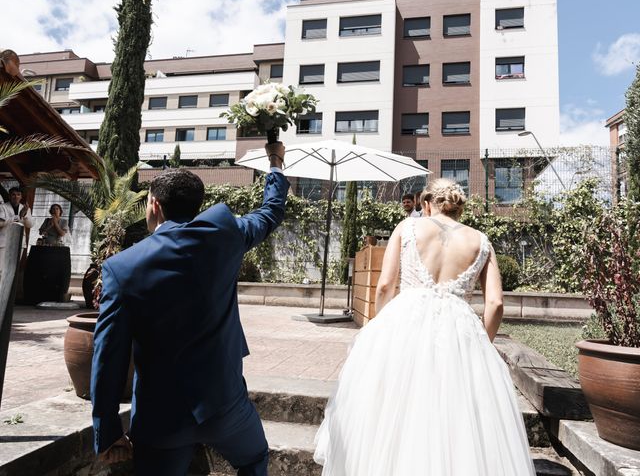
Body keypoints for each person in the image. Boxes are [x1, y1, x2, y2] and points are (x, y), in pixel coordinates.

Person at [91, 142, 289, 476]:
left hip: (161, 420)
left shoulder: (121, 269)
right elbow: (270, 212)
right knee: (254, 459)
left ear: (154, 205)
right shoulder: (226, 235)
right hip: (226, 407)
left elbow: (108, 355)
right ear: (197, 205)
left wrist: (107, 431)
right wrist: (276, 163)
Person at [314, 178, 535, 475]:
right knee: (453, 419)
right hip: (459, 329)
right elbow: (495, 304)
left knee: (393, 411)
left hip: (406, 321)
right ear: (459, 209)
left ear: (426, 204)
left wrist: (381, 327)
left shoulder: (406, 228)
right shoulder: (482, 241)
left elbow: (384, 286)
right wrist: (483, 343)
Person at [0, 187, 33, 279]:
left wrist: (25, 215)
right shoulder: (2, 207)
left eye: (18, 195)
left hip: (19, 242)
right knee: (1, 269)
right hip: (3, 242)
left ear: (21, 197)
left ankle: (7, 293)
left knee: (12, 270)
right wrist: (18, 217)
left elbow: (30, 225)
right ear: (10, 196)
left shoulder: (25, 208)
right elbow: (1, 223)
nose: (16, 197)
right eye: (13, 194)